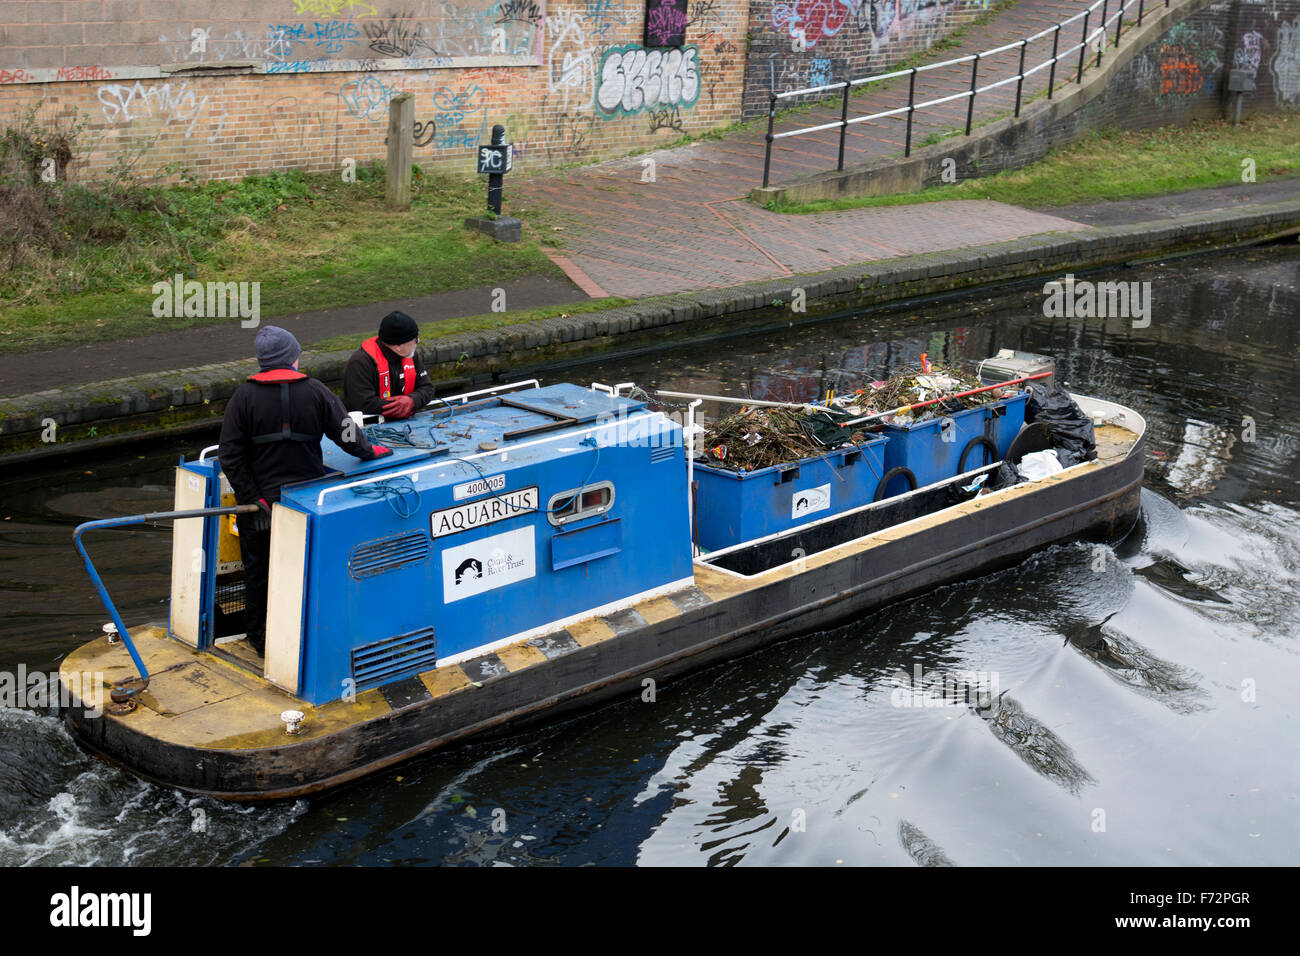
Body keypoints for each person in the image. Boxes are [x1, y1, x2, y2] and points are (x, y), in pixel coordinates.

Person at [219, 326, 391, 656]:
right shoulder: (316, 391)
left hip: (260, 506)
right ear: (293, 358)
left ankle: (260, 638)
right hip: (310, 498)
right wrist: (371, 452)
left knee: (259, 572)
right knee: (309, 566)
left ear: (262, 362)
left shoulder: (243, 397)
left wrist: (251, 496)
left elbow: (229, 453)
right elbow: (347, 435)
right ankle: (309, 636)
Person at [343, 310, 436, 419]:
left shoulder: (410, 355)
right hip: (363, 425)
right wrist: (400, 407)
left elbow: (428, 388)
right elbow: (363, 403)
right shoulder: (360, 363)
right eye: (415, 339)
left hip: (403, 421)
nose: (418, 341)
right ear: (398, 346)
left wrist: (412, 400)